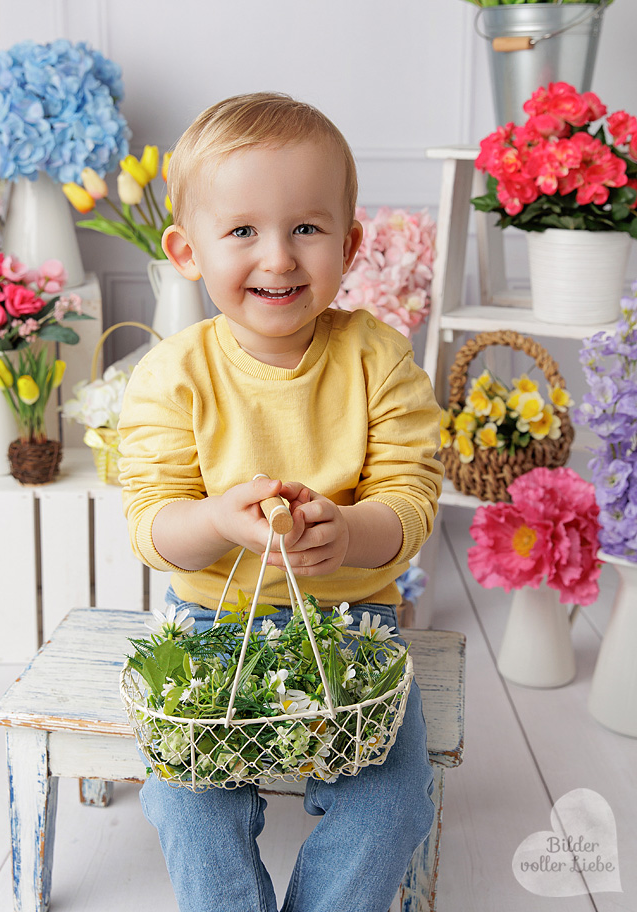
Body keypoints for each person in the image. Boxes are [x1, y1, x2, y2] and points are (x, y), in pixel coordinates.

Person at [118, 92, 443, 912]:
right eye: (242, 232)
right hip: (210, 628)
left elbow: (410, 494)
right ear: (187, 250)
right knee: (190, 800)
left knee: (392, 801)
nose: (279, 258)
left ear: (351, 243)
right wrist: (215, 521)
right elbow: (151, 520)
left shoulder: (376, 358)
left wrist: (354, 531)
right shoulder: (172, 373)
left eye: (306, 228)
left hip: (351, 628)